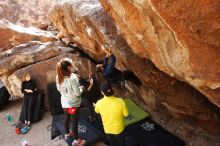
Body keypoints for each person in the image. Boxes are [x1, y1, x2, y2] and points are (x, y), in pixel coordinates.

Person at [56, 58, 85, 146]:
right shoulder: (73, 78)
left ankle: (67, 133)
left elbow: (59, 89)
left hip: (64, 103)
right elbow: (77, 94)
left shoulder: (58, 76)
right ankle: (76, 140)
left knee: (66, 118)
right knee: (74, 122)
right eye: (71, 65)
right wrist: (81, 89)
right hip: (72, 105)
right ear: (68, 67)